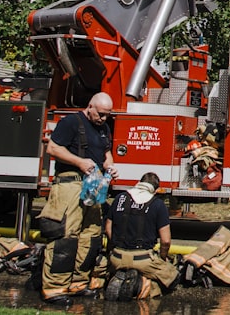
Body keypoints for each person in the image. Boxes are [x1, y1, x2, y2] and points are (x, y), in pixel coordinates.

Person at [39, 92, 118, 305]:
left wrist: (109, 165)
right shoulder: (71, 123)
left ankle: (78, 283)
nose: (103, 119)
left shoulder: (104, 128)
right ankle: (55, 288)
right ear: (90, 106)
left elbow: (106, 154)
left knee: (90, 236)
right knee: (66, 235)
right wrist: (79, 162)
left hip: (94, 187)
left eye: (107, 116)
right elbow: (53, 148)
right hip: (70, 184)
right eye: (100, 114)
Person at [104, 172, 180, 301]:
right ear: (155, 190)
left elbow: (108, 227)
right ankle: (141, 286)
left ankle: (118, 278)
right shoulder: (158, 204)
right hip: (143, 260)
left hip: (117, 257)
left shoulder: (120, 198)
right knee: (172, 277)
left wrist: (114, 247)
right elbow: (166, 241)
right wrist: (162, 258)